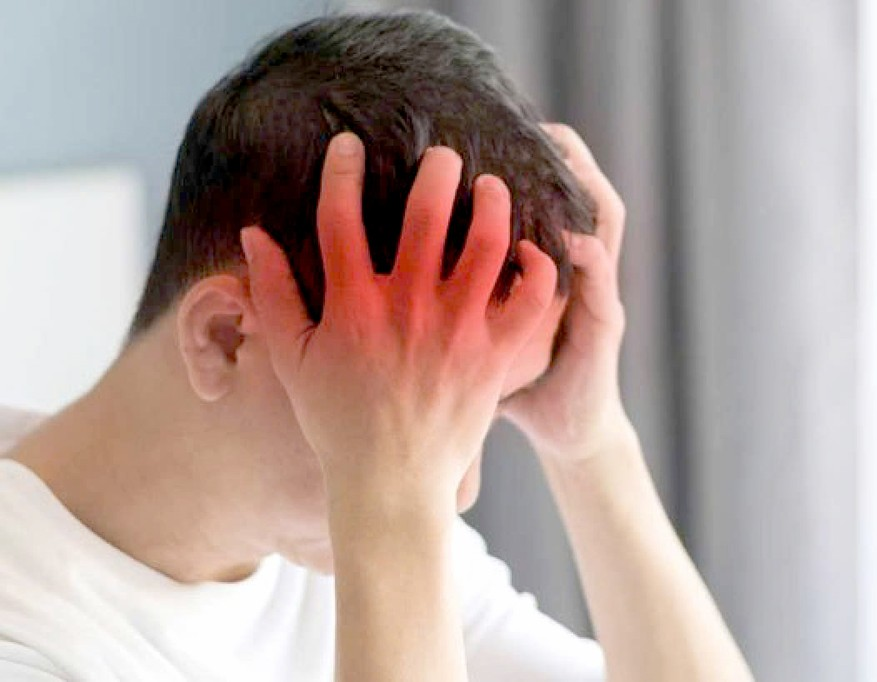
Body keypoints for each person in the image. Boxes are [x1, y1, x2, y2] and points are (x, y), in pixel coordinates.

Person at [0, 10, 753, 682]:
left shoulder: (360, 532)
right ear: (225, 338)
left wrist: (588, 445)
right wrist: (391, 497)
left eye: (479, 412)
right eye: (412, 403)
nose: (457, 492)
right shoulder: (26, 641)